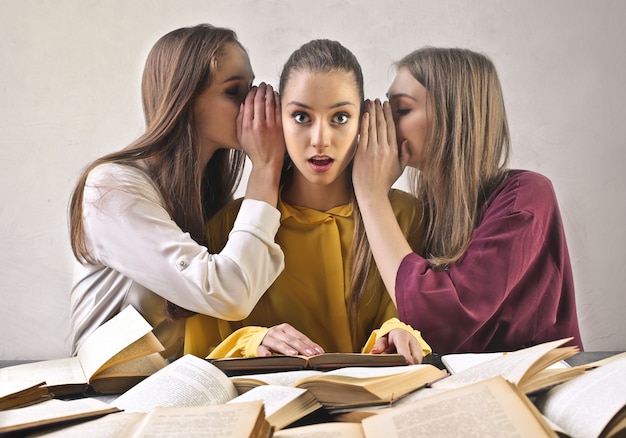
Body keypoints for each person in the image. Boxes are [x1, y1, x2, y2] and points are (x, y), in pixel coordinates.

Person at [185, 39, 431, 364]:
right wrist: (253, 341)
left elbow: (430, 318)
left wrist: (401, 333)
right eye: (301, 117)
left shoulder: (409, 216)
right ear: (276, 119)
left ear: (364, 122)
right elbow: (197, 358)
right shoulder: (229, 228)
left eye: (340, 118)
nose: (320, 140)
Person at [67, 24, 286, 361]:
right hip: (107, 397)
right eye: (234, 92)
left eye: (253, 89)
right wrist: (266, 168)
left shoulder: (208, 193)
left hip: (183, 385)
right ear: (184, 101)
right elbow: (231, 294)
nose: (252, 107)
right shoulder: (111, 188)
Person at [353, 47, 583, 354]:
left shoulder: (526, 197)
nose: (380, 124)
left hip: (535, 392)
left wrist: (371, 195)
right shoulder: (425, 213)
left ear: (453, 117)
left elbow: (441, 319)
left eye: (402, 110)